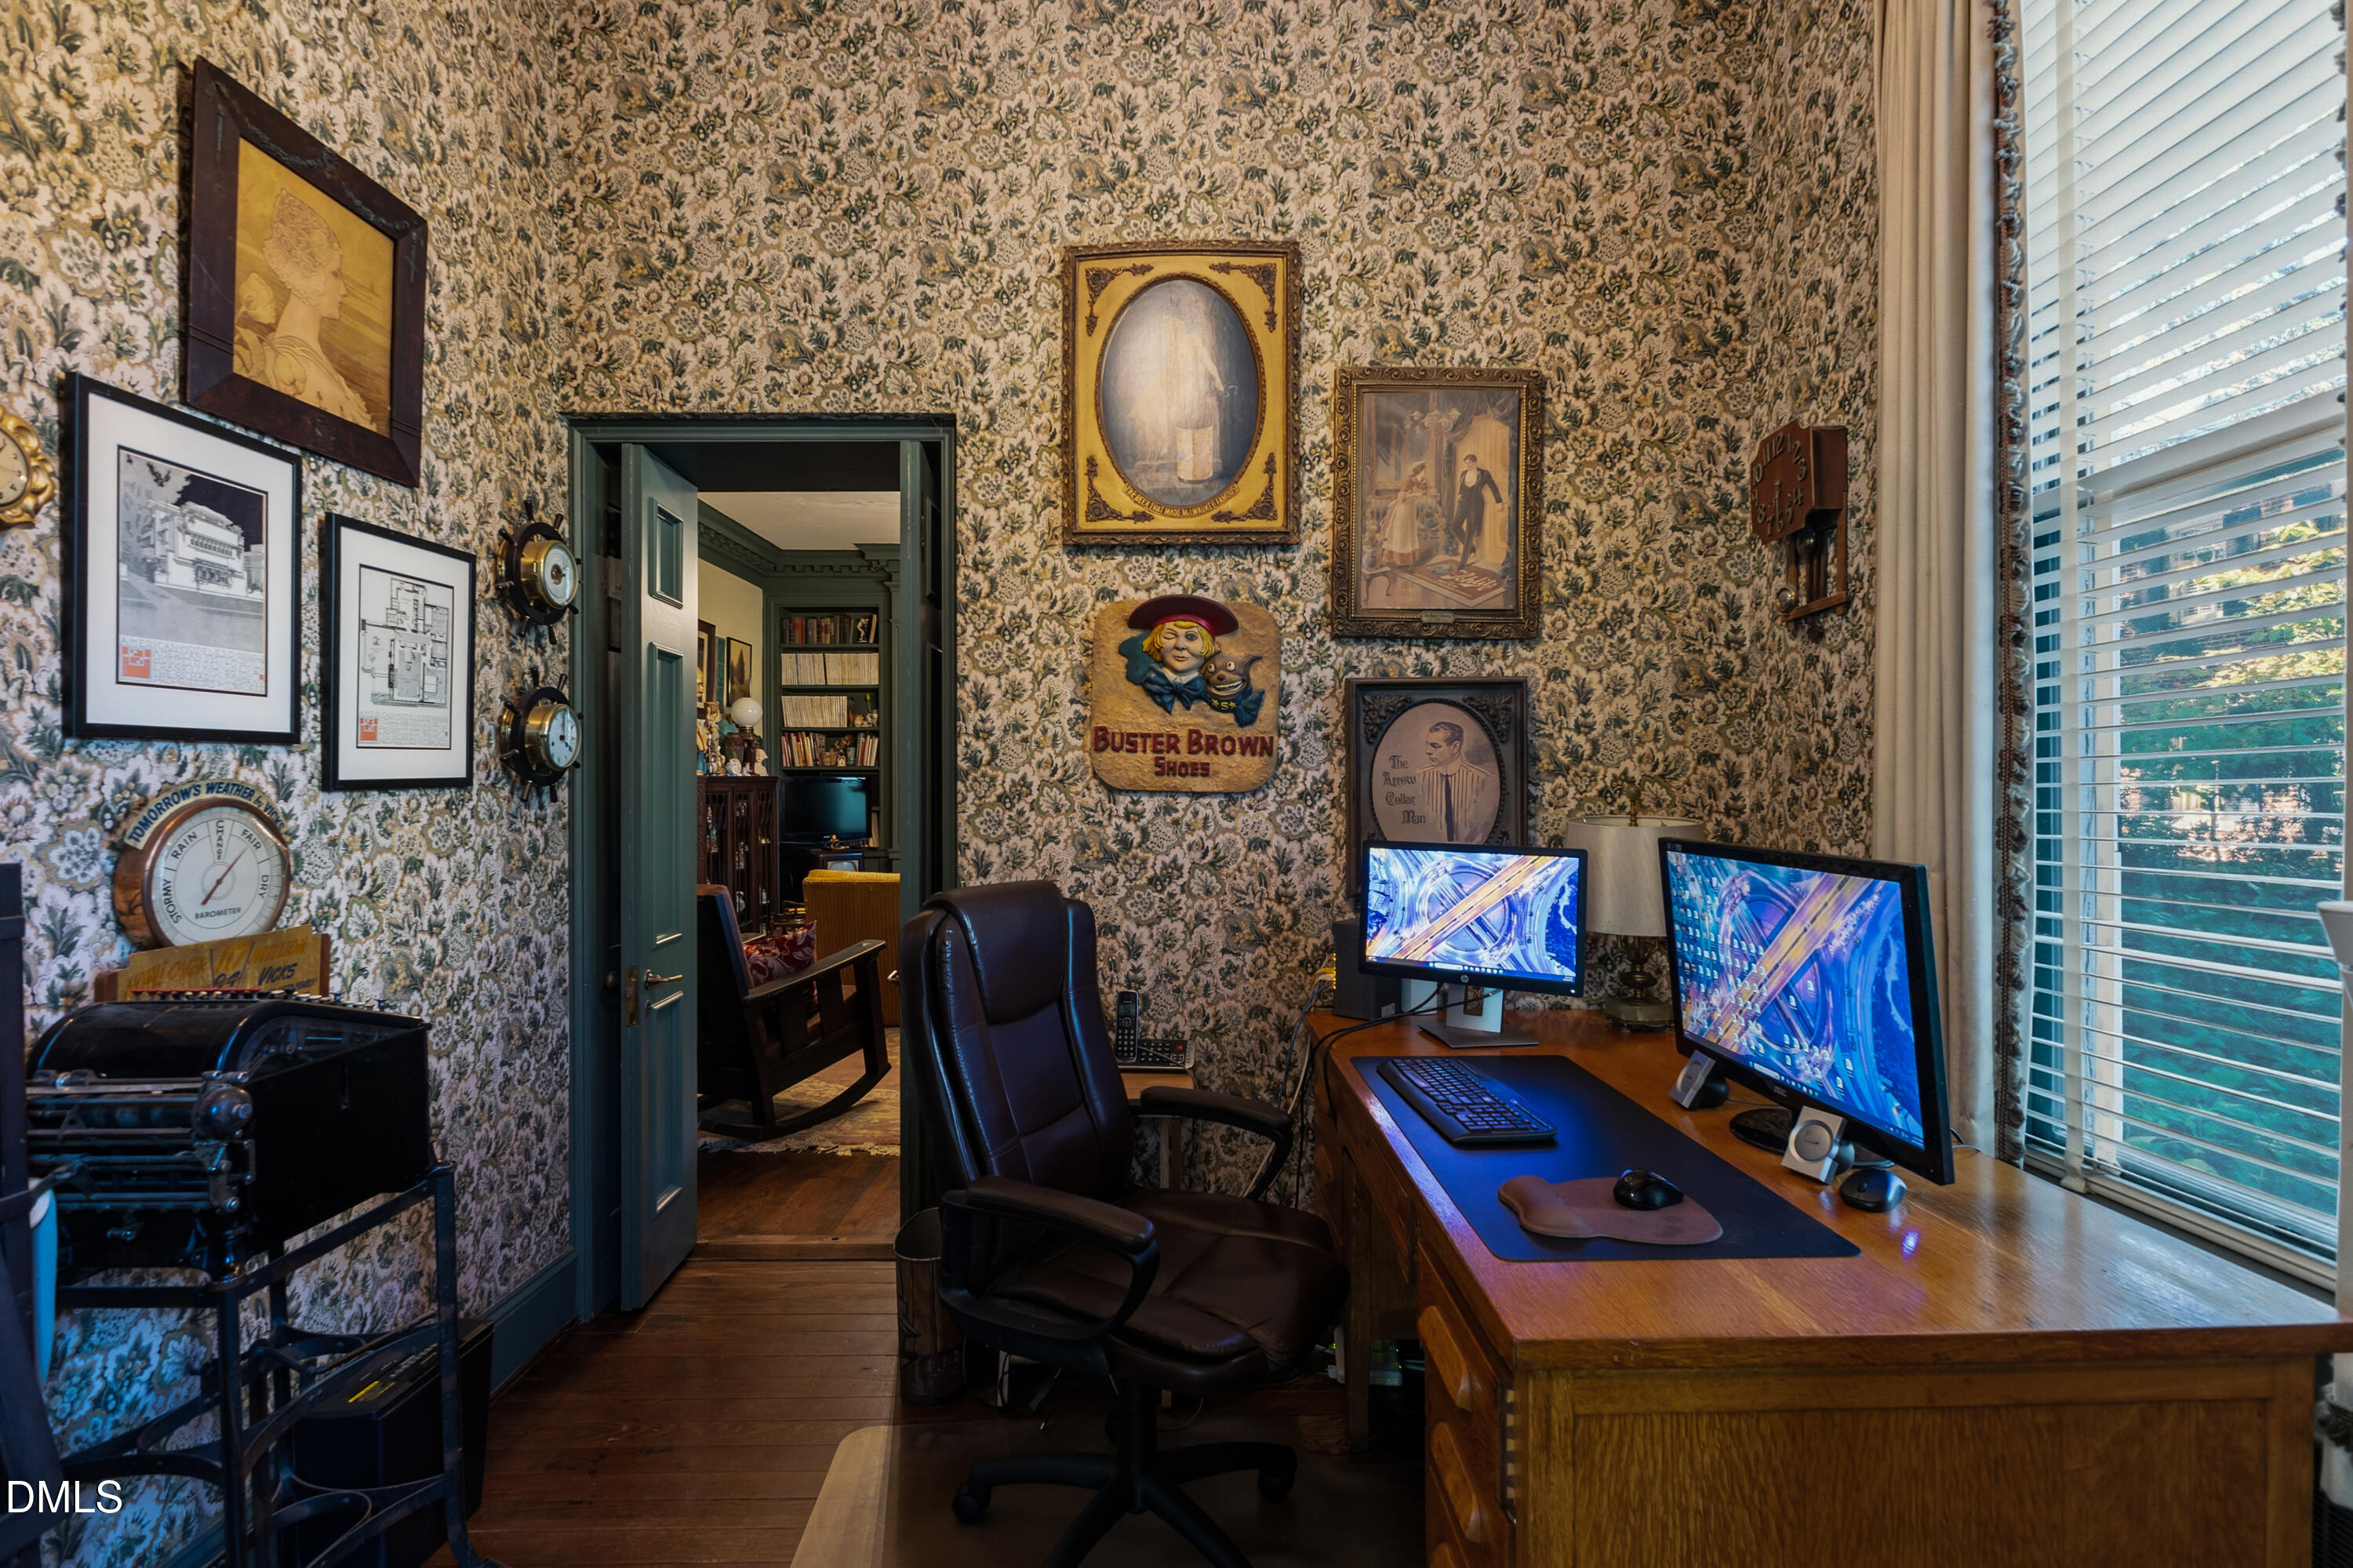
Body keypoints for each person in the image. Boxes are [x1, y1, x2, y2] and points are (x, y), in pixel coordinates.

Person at [246, 189, 376, 430]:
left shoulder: (315, 361)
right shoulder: (285, 362)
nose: (344, 290)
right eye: (335, 274)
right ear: (309, 275)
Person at [1118, 593, 1261, 725]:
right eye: (1170, 636)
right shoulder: (1150, 682)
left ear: (1207, 646)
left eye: (1191, 637)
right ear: (1155, 643)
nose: (1180, 645)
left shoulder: (1219, 692)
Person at [1410, 721, 1497, 842]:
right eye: (1428, 745)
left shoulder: (1484, 780)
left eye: (1435, 746)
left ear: (1455, 747)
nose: (1428, 751)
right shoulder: (1419, 778)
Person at [1446, 450, 1505, 569]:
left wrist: (1499, 502)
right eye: (1466, 463)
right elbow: (1462, 487)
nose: (1468, 465)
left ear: (1475, 463)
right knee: (1455, 526)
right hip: (1464, 502)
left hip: (1476, 503)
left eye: (1470, 463)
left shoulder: (1484, 474)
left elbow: (1493, 487)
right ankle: (1471, 548)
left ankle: (1463, 561)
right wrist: (1460, 495)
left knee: (1470, 529)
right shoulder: (1463, 474)